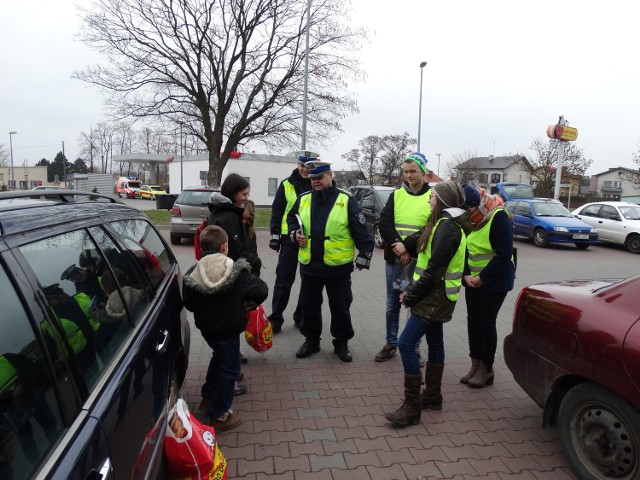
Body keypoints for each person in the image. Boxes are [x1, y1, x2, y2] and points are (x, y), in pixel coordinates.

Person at [384, 181, 469, 426]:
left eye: (432, 196)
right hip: (437, 295)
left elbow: (434, 271)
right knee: (435, 340)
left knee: (405, 343)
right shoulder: (444, 224)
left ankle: (411, 407)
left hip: (433, 296)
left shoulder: (447, 228)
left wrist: (410, 295)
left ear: (441, 200)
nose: (429, 199)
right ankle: (432, 394)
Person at [182, 225, 268, 431]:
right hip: (229, 328)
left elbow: (190, 302)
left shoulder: (193, 272)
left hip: (208, 329)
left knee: (219, 357)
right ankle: (219, 414)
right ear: (224, 247)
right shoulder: (234, 269)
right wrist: (245, 304)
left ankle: (208, 396)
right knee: (230, 369)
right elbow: (261, 289)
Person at [287, 160, 374, 362]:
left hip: (338, 269)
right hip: (310, 266)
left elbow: (361, 231)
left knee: (340, 307)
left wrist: (364, 257)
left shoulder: (346, 200)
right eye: (312, 178)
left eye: (319, 177)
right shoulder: (303, 199)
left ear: (330, 175)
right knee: (309, 306)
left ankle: (341, 343)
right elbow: (291, 220)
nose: (315, 182)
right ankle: (312, 340)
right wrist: (294, 234)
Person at [376, 152, 432, 362]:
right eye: (406, 171)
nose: (408, 175)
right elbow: (385, 222)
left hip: (419, 259)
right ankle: (391, 344)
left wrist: (407, 246)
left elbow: (430, 228)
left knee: (415, 305)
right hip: (395, 258)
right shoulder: (397, 194)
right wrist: (399, 248)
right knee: (392, 304)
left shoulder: (431, 197)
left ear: (423, 171)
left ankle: (413, 347)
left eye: (413, 171)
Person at [460, 184, 515, 388]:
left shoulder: (499, 217)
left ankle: (486, 368)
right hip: (472, 279)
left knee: (486, 321)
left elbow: (504, 254)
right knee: (472, 321)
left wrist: (482, 278)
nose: (467, 214)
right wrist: (466, 274)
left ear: (478, 204)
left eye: (469, 209)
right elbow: (464, 249)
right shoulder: (470, 220)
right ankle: (475, 363)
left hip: (495, 280)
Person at [267, 151, 313, 333]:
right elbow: (277, 212)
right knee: (283, 280)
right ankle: (276, 319)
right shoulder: (286, 185)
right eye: (302, 165)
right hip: (289, 240)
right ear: (298, 165)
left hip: (309, 240)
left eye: (308, 167)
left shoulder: (316, 184)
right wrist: (275, 237)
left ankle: (300, 317)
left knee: (308, 281)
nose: (304, 169)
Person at [207, 173, 262, 276]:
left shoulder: (217, 211)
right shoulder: (229, 217)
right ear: (233, 194)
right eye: (244, 194)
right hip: (228, 273)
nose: (246, 198)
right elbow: (236, 252)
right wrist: (255, 261)